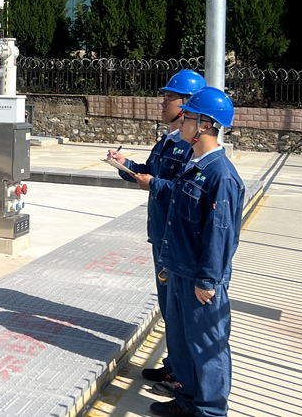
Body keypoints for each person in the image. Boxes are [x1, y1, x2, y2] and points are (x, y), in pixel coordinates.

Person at [135, 87, 244, 417]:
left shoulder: (221, 175)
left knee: (207, 347)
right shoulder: (194, 165)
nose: (182, 122)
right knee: (182, 342)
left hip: (199, 278)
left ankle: (210, 411)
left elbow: (219, 235)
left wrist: (207, 280)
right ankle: (186, 402)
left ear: (205, 125)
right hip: (179, 267)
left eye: (189, 118)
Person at [106, 69, 205, 389]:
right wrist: (125, 165)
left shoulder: (191, 148)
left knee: (178, 308)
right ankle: (174, 365)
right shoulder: (168, 141)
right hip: (161, 234)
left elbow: (187, 192)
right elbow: (149, 172)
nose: (162, 103)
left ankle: (181, 374)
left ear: (187, 103)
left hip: (174, 238)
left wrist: (155, 184)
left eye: (169, 98)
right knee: (168, 306)